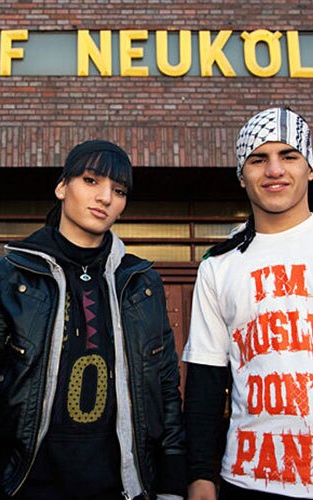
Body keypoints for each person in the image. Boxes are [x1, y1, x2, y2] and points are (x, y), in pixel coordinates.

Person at [0, 139, 186, 500]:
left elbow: (165, 384)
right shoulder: (10, 274)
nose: (105, 198)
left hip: (122, 485)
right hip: (27, 481)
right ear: (62, 187)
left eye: (119, 190)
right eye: (91, 181)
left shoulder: (141, 282)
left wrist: (173, 479)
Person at [183, 108, 313, 499]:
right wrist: (200, 474)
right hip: (248, 480)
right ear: (242, 176)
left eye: (288, 156)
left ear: (309, 168)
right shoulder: (218, 265)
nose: (274, 170)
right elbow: (206, 380)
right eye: (258, 159)